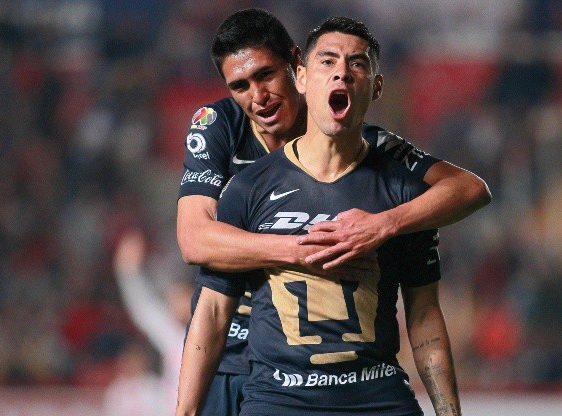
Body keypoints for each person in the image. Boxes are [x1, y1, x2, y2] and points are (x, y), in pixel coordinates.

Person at [175, 8, 487, 416]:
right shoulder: (221, 130)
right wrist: (301, 250)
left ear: (295, 67)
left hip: (350, 382)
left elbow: (470, 188)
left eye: (266, 75)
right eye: (240, 85)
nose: (258, 96)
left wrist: (384, 225)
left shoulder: (376, 151)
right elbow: (194, 239)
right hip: (234, 359)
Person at [113, 228, 193, 416]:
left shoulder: (215, 328)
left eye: (182, 297)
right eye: (174, 299)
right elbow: (143, 308)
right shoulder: (172, 334)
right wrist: (127, 271)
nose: (176, 304)